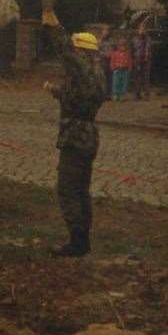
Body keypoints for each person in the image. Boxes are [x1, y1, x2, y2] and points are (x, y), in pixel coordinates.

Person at [45, 31, 107, 256]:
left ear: (80, 50)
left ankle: (77, 242)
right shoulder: (98, 72)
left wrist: (49, 18)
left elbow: (63, 50)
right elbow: (81, 98)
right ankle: (83, 240)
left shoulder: (81, 68)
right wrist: (57, 92)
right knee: (81, 190)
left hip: (75, 136)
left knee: (68, 189)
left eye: (75, 49)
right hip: (89, 135)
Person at [130, 21, 154, 100]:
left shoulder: (148, 39)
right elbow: (132, 49)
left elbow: (149, 48)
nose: (142, 30)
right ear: (138, 30)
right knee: (137, 77)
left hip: (146, 59)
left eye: (144, 29)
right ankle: (137, 94)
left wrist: (147, 55)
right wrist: (133, 59)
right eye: (141, 29)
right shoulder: (134, 39)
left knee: (146, 77)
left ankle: (146, 94)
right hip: (137, 59)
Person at [107, 34, 132, 102]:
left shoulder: (127, 53)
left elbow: (130, 61)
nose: (122, 47)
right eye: (121, 45)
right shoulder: (115, 53)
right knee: (116, 83)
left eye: (124, 45)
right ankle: (116, 94)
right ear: (118, 46)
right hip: (117, 70)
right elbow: (112, 61)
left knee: (124, 83)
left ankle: (122, 95)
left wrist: (129, 69)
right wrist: (113, 68)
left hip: (125, 70)